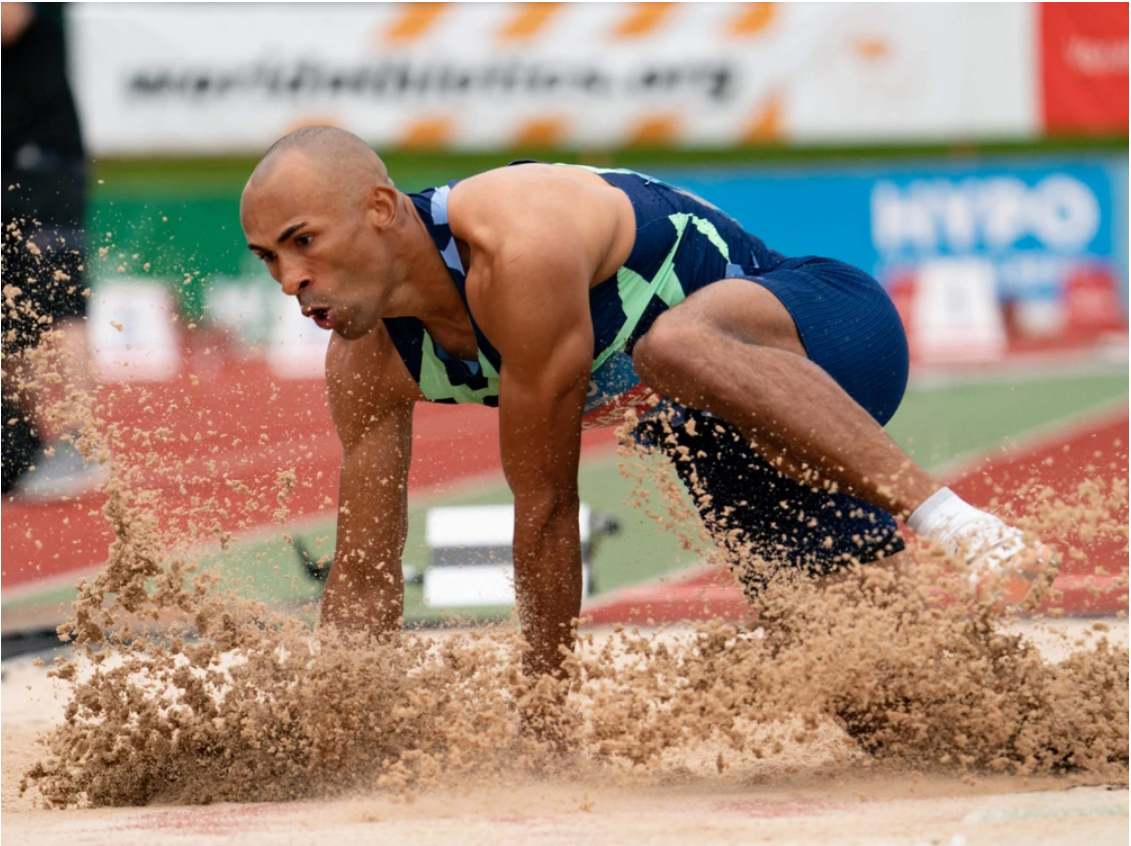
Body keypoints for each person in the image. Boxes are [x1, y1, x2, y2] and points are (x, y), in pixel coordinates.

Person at [239, 126, 1054, 683]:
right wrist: (339, 724)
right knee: (882, 693)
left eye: (303, 241)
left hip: (828, 337)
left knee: (671, 345)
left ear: (381, 210)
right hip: (722, 440)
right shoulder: (366, 362)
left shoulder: (514, 247)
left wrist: (544, 718)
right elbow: (364, 573)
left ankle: (957, 523)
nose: (289, 279)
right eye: (269, 258)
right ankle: (1052, 718)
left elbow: (547, 509)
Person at [2, 2, 99, 497]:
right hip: (10, 161)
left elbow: (9, 20)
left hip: (44, 161)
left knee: (59, 304)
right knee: (10, 311)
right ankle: (21, 447)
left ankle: (81, 444)